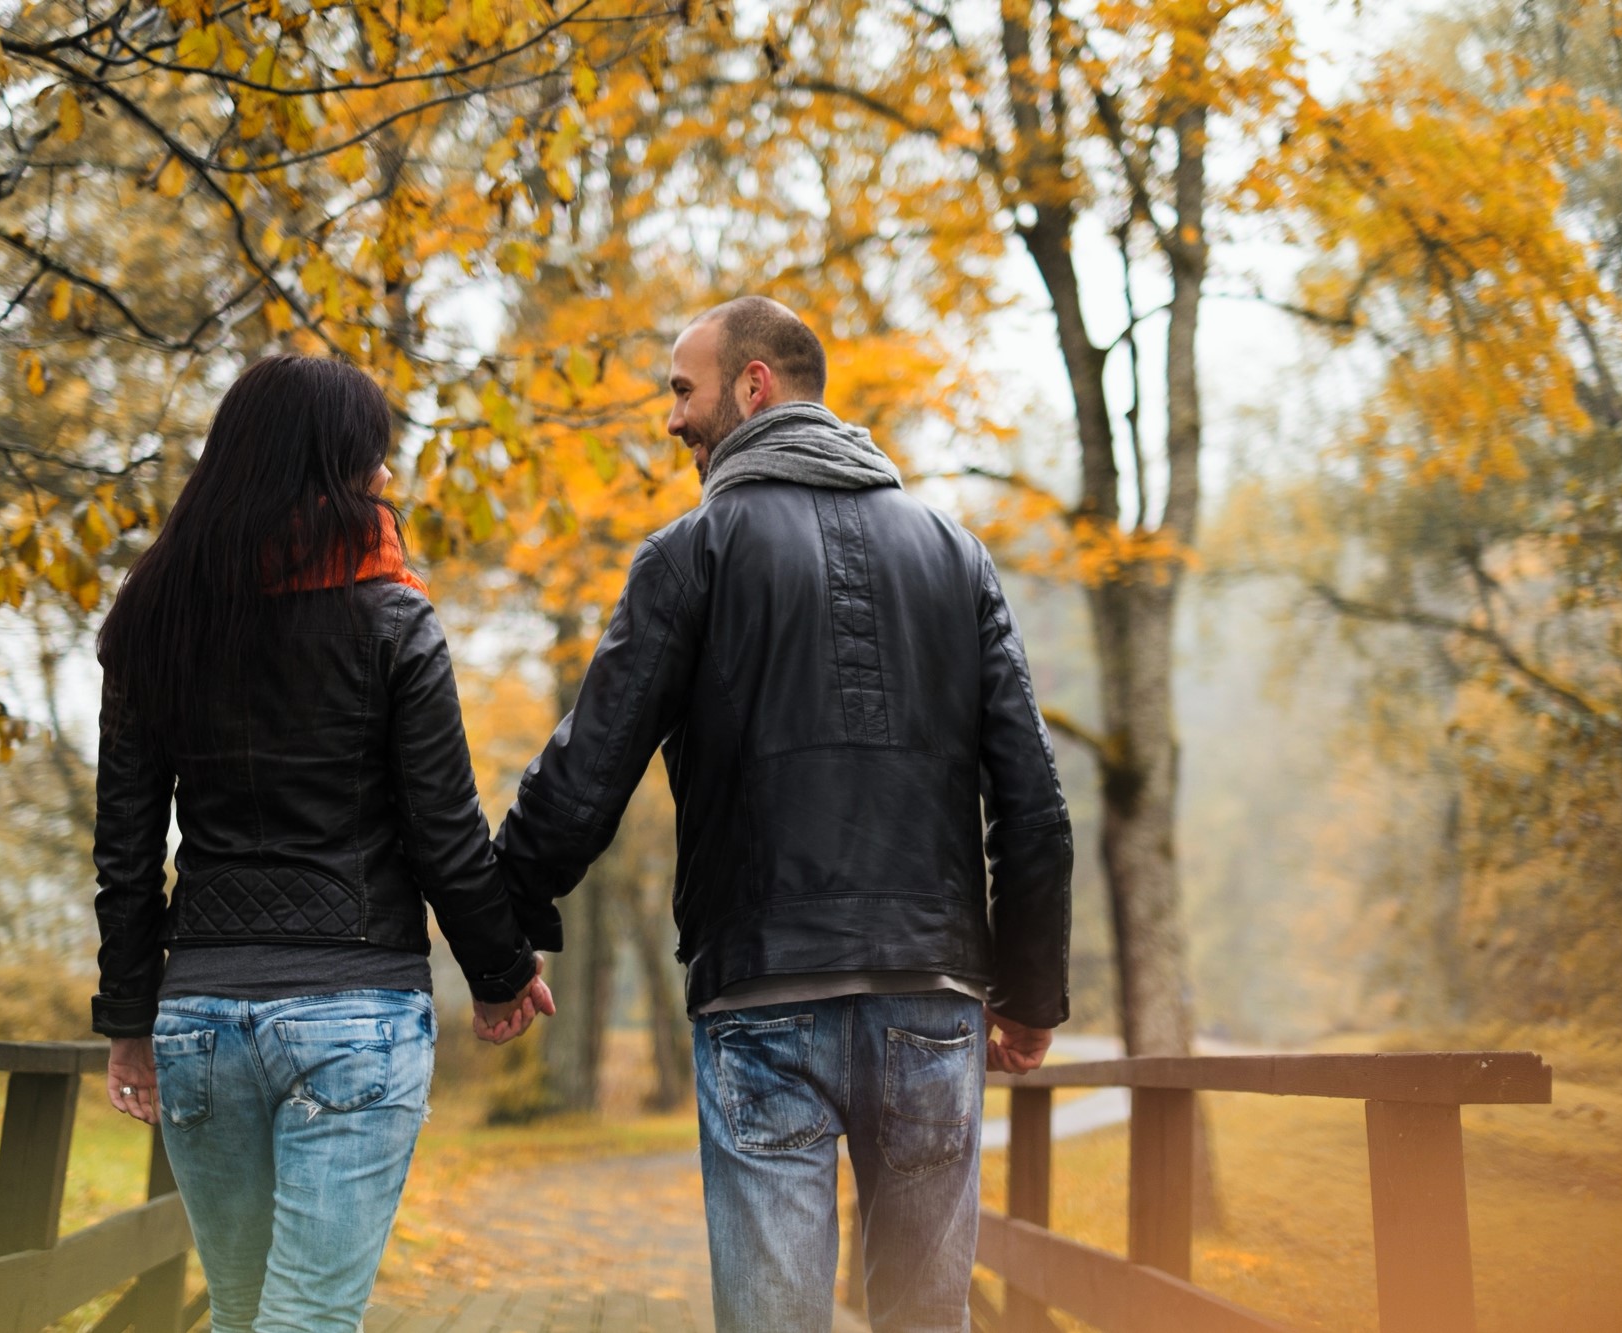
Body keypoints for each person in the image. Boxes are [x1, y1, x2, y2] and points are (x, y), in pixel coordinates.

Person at [493, 297, 1073, 1333]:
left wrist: (499, 929)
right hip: (928, 1001)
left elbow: (585, 775)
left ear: (752, 385)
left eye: (683, 389)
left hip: (763, 998)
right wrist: (1027, 989)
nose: (671, 418)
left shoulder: (689, 555)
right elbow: (1031, 800)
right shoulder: (953, 554)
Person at [90, 355, 554, 1333]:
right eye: (371, 459)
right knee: (302, 1319)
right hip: (353, 1010)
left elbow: (126, 850)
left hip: (201, 1017)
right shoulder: (390, 616)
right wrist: (502, 968)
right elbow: (442, 827)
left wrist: (131, 1017)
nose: (384, 477)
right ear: (340, 469)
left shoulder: (155, 620)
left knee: (243, 1310)